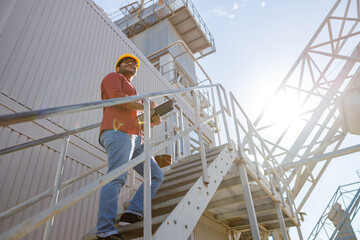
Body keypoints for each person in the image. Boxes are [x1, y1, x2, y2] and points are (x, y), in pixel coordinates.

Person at [96, 53, 164, 240]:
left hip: (136, 138)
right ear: (118, 67)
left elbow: (136, 119)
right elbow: (119, 99)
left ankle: (132, 213)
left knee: (156, 175)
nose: (130, 64)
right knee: (117, 177)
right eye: (125, 62)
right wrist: (147, 106)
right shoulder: (113, 77)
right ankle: (104, 231)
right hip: (117, 132)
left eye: (134, 63)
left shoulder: (135, 91)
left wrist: (151, 122)